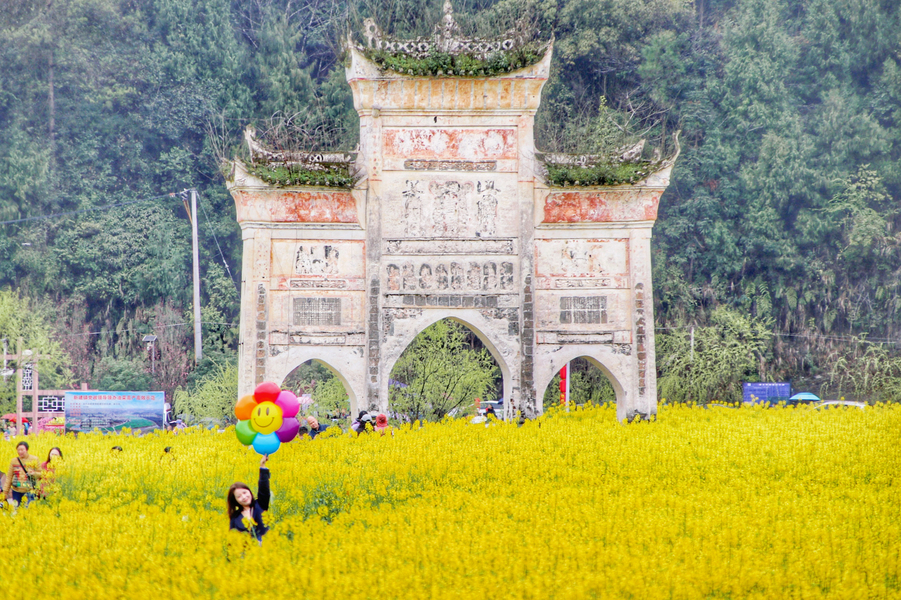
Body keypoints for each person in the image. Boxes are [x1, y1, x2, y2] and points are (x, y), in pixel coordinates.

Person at [227, 454, 270, 542]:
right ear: (235, 501)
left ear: (249, 491)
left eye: (245, 492)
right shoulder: (235, 518)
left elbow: (264, 489)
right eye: (239, 496)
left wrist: (262, 466)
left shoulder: (260, 505)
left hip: (267, 550)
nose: (244, 497)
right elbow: (233, 541)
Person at [3, 441, 40, 507]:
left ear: (27, 450)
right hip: (16, 491)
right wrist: (5, 491)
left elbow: (40, 474)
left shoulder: (34, 459)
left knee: (28, 511)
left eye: (22, 450)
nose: (20, 452)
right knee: (16, 510)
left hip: (29, 491)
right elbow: (9, 476)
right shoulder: (14, 460)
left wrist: (33, 473)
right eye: (18, 450)